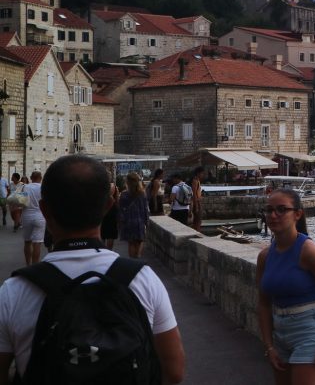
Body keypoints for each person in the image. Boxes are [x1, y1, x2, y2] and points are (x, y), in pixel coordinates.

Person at [0, 154, 185, 384]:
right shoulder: (143, 279)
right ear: (108, 206)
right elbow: (174, 371)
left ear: (45, 211)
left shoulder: (14, 291)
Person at [257, 189, 315, 385]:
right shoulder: (264, 256)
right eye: (269, 210)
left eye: (281, 209)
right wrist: (269, 346)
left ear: (297, 214)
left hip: (309, 331)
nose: (273, 215)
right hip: (280, 334)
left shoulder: (308, 251)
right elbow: (263, 303)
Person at [119, 172, 150, 259]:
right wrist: (146, 222)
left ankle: (132, 261)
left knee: (131, 243)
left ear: (127, 182)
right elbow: (145, 210)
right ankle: (138, 256)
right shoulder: (142, 194)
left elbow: (121, 210)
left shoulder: (124, 194)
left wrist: (121, 222)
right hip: (139, 222)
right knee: (140, 241)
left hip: (128, 222)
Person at [20, 172, 44, 266]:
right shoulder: (43, 188)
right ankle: (35, 266)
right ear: (41, 178)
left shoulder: (25, 187)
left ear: (31, 178)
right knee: (37, 243)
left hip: (27, 215)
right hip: (40, 216)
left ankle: (28, 265)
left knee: (27, 242)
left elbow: (21, 202)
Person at [101, 179, 120, 249]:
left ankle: (102, 250)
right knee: (111, 234)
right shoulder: (114, 187)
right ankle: (109, 251)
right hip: (112, 212)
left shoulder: (101, 187)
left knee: (102, 233)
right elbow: (117, 201)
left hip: (103, 211)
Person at [189, 167, 205, 232]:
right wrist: (196, 206)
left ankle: (197, 231)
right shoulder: (195, 181)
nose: (203, 175)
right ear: (198, 173)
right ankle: (196, 232)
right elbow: (194, 194)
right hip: (197, 202)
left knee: (199, 220)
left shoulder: (197, 181)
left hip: (198, 201)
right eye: (202, 173)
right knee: (197, 220)